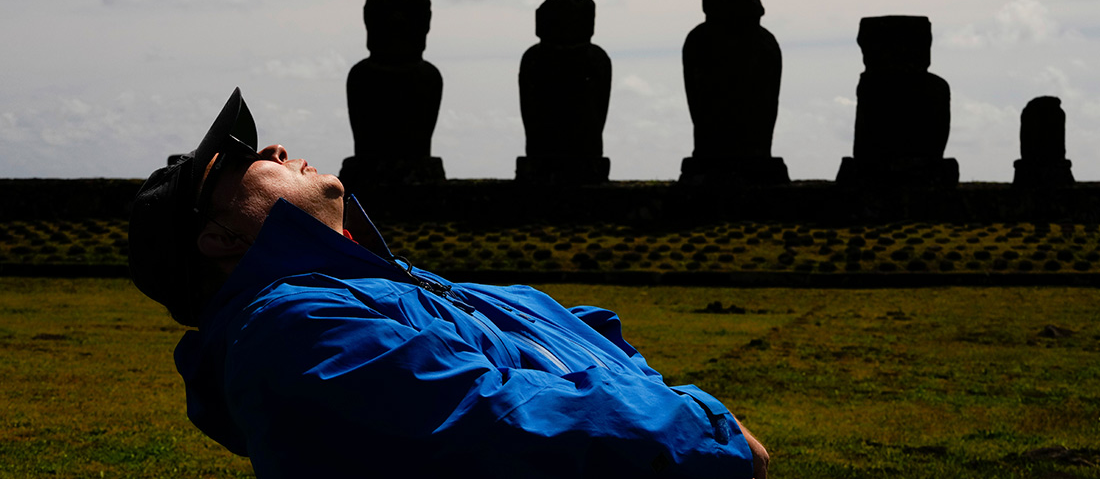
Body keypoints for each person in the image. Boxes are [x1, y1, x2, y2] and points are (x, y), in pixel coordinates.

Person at [128, 88, 770, 478]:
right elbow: (492, 420)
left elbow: (581, 335)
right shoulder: (293, 329)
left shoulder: (387, 287)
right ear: (218, 238)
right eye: (239, 161)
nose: (270, 149)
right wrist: (700, 428)